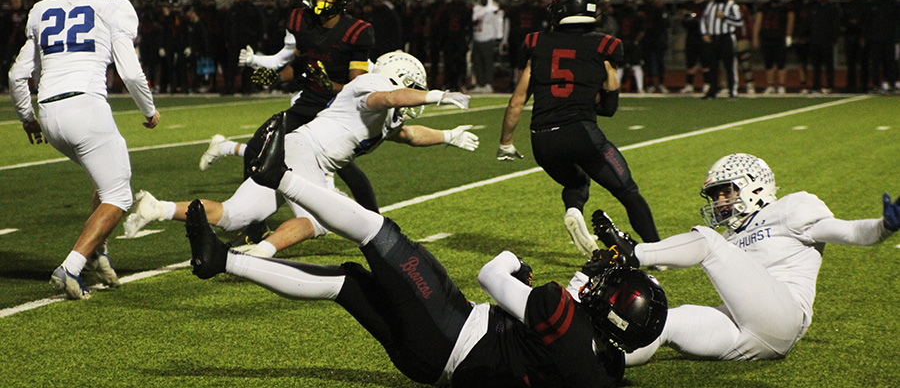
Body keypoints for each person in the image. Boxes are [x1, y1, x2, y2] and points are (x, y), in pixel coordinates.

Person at [183, 113, 668, 387]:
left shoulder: (564, 315)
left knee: (379, 232)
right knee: (348, 282)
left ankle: (279, 174)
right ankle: (222, 259)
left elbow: (492, 278)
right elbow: (610, 340)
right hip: (433, 368)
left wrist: (515, 263)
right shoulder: (606, 370)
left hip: (453, 327)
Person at [125, 51, 479, 258]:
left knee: (234, 215)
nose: (415, 94)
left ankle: (157, 207)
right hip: (307, 153)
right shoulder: (374, 85)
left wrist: (448, 135)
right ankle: (262, 253)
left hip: (297, 150)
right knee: (322, 220)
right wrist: (434, 95)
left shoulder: (386, 109)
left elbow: (409, 133)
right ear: (400, 77)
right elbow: (387, 99)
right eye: (414, 87)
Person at [590, 153, 900, 365]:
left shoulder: (790, 210)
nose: (719, 202)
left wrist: (883, 226)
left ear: (753, 185)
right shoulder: (730, 237)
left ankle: (634, 252)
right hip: (746, 329)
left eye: (725, 192)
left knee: (707, 241)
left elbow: (851, 233)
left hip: (784, 317)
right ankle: (587, 362)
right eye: (715, 196)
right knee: (662, 323)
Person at [8, 0, 160, 300]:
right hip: (86, 107)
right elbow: (132, 74)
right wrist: (149, 111)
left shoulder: (42, 9)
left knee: (106, 179)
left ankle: (98, 253)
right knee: (119, 194)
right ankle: (72, 266)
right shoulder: (114, 8)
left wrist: (28, 119)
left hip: (48, 113)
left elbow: (17, 76)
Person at [198, 0, 380, 222]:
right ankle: (249, 220)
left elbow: (358, 87)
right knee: (255, 148)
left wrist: (330, 85)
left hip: (337, 109)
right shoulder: (301, 20)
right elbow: (299, 65)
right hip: (308, 103)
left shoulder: (357, 31)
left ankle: (376, 224)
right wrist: (274, 77)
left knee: (344, 167)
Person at [497, 0, 661, 257]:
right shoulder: (604, 46)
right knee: (627, 191)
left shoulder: (538, 43)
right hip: (581, 132)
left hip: (542, 138)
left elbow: (516, 101)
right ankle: (659, 252)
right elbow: (609, 108)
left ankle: (574, 210)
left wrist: (506, 142)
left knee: (575, 182)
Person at [700, 0, 743, 99]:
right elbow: (704, 19)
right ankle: (712, 91)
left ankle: (732, 91)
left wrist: (725, 17)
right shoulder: (711, 5)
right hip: (714, 38)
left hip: (726, 37)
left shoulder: (732, 6)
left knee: (730, 65)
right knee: (712, 65)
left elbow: (739, 22)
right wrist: (705, 33)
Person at [753, 0, 791, 94]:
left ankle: (781, 85)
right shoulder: (764, 7)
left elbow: (789, 22)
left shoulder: (784, 8)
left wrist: (788, 36)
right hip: (766, 37)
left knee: (781, 63)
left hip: (780, 38)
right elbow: (758, 22)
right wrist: (755, 37)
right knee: (768, 63)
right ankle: (770, 84)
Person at [470, 0, 504, 93]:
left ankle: (489, 84)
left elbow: (498, 24)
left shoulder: (493, 10)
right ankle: (479, 84)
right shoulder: (476, 9)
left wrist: (499, 37)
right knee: (477, 63)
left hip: (488, 39)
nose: (483, 0)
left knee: (488, 63)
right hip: (476, 39)